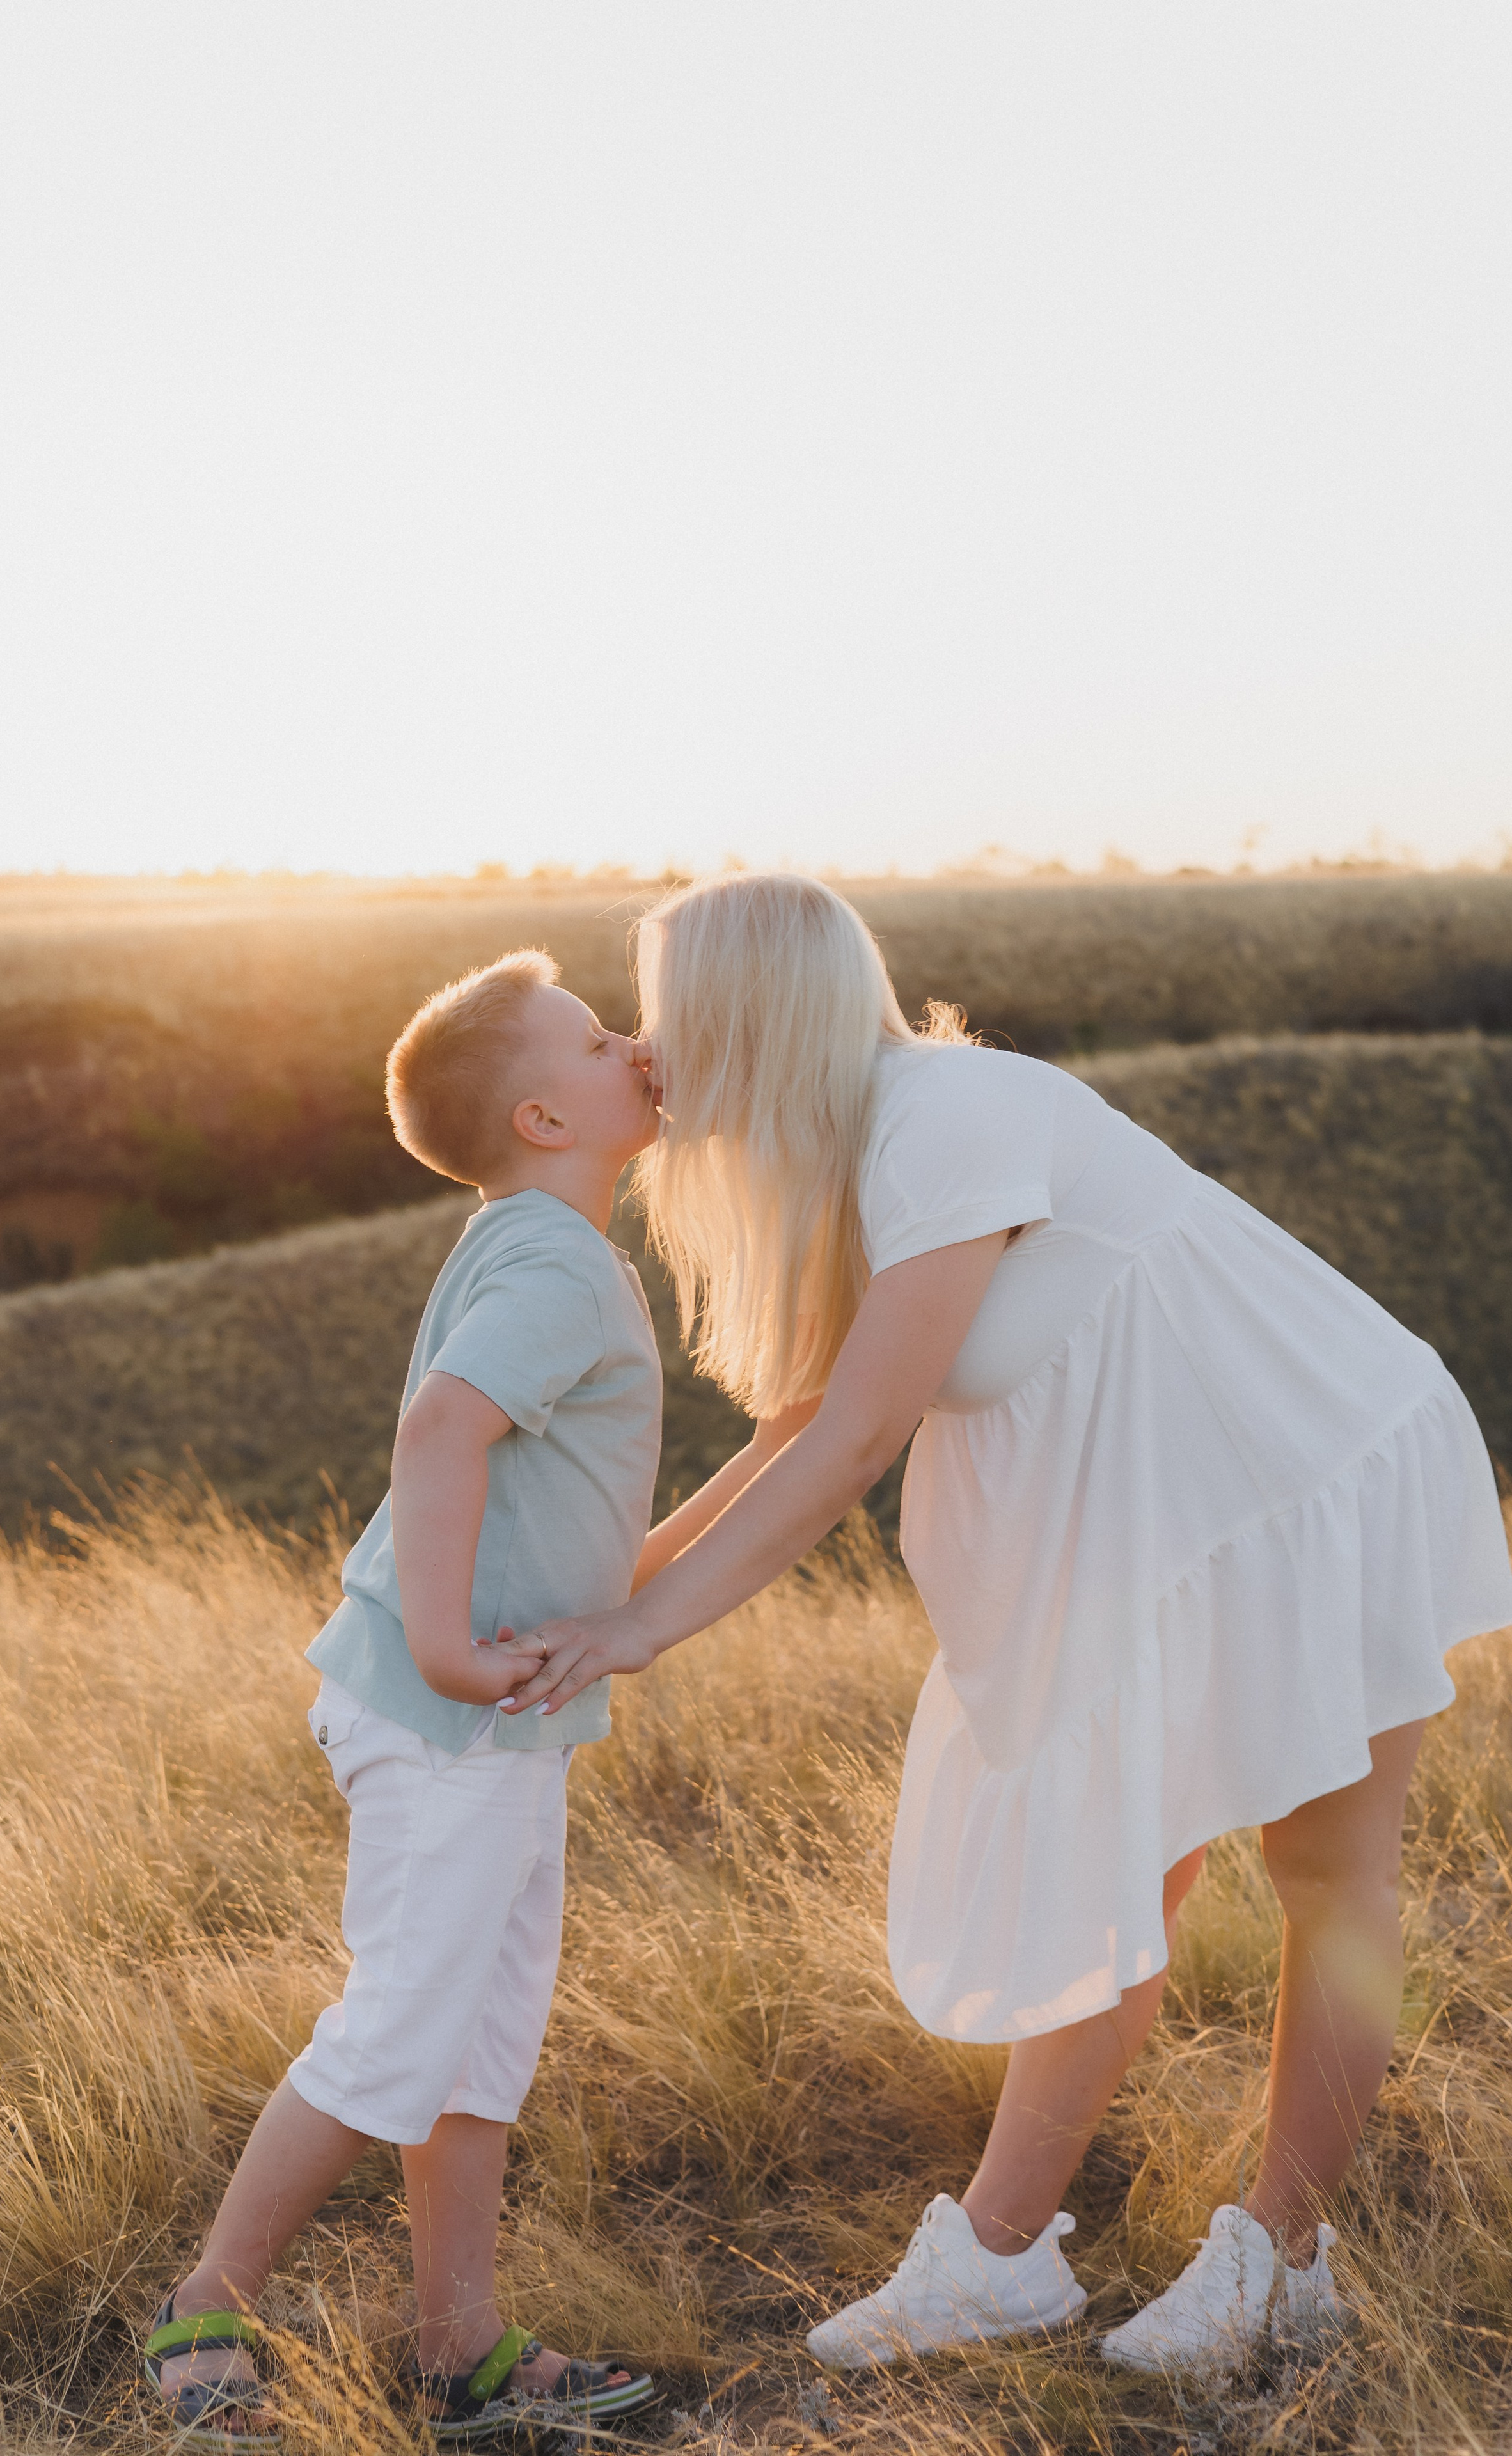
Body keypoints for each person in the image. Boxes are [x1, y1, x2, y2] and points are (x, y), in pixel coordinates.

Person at [502, 872, 1512, 2379]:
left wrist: (646, 1632)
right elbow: (799, 1417)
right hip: (1168, 1528)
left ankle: (1278, 2263)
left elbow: (855, 1445)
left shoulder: (947, 1111)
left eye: (663, 1011)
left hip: (1319, 1468)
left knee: (1319, 1870)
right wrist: (613, 1583)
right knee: (1130, 1854)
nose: (644, 1048)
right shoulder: (863, 1152)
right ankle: (991, 2260)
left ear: (749, 1013)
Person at [144, 950, 663, 2445]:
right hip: (450, 1712)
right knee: (398, 2032)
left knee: (480, 2037)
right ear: (541, 1119)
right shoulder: (558, 1262)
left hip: (489, 1718)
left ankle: (460, 2345)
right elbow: (440, 1427)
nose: (631, 1044)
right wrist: (444, 1646)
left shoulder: (530, 1233)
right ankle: (207, 2305)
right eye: (593, 1039)